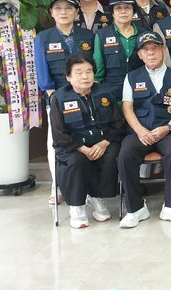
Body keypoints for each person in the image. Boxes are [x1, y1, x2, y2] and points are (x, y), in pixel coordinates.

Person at [118, 31, 171, 228]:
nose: (150, 53)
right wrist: (140, 131)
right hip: (140, 131)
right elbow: (127, 108)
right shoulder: (132, 77)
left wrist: (168, 127)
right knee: (125, 155)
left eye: (155, 48)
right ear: (140, 55)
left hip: (168, 130)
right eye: (146, 50)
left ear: (163, 50)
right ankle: (135, 209)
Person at [35, 0, 96, 206]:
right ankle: (57, 186)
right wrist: (52, 96)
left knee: (87, 140)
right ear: (51, 12)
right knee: (56, 143)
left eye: (68, 8)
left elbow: (94, 66)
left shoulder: (87, 36)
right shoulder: (43, 38)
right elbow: (42, 72)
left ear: (76, 12)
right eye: (58, 8)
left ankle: (89, 187)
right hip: (57, 99)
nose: (63, 12)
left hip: (86, 97)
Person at [49, 56, 122, 228]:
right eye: (79, 72)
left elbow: (117, 124)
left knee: (112, 154)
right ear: (68, 77)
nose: (85, 76)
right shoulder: (59, 98)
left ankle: (96, 197)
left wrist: (104, 142)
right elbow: (59, 134)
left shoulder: (105, 92)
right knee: (76, 161)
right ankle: (77, 206)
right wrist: (82, 148)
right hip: (72, 146)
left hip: (101, 142)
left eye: (89, 71)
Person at [93, 0, 147, 101]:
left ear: (133, 11)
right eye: (118, 8)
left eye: (127, 7)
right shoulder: (102, 35)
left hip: (140, 90)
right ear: (112, 12)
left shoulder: (144, 34)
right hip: (111, 93)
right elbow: (99, 68)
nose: (123, 11)